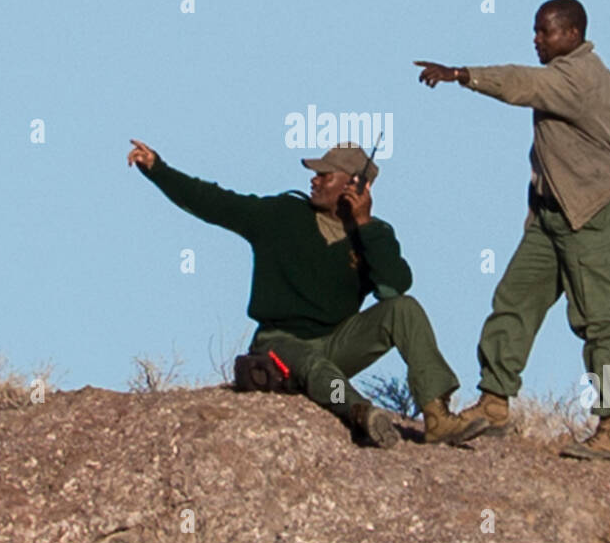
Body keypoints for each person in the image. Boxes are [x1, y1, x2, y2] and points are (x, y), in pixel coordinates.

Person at [126, 139, 488, 448]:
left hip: (335, 343)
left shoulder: (374, 234)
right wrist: (158, 169)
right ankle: (359, 412)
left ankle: (438, 418)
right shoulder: (282, 214)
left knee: (404, 309)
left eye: (324, 175)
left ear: (354, 186)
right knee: (314, 366)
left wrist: (364, 225)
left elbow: (393, 288)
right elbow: (214, 202)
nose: (313, 180)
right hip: (280, 342)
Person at [415, 0, 610, 459]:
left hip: (591, 214)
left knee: (600, 325)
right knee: (514, 302)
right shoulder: (567, 73)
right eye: (535, 31)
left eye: (544, 32)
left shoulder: (579, 77)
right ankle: (494, 404)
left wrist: (462, 75)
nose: (536, 39)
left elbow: (522, 84)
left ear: (571, 35)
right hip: (552, 215)